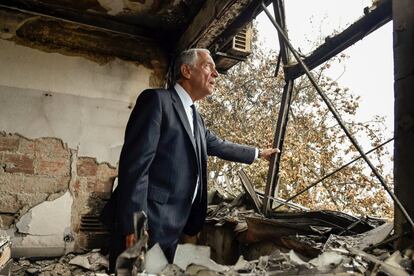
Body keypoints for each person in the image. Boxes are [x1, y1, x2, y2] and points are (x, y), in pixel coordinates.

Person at [101, 48, 278, 272]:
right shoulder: (157, 101)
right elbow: (134, 168)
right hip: (148, 220)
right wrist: (134, 226)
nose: (216, 74)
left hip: (174, 222)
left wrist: (258, 153)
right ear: (186, 70)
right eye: (208, 66)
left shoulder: (197, 119)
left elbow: (218, 145)